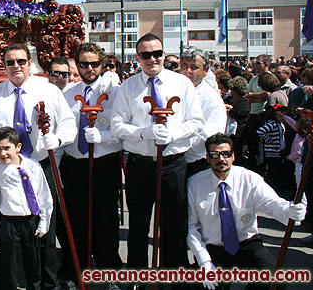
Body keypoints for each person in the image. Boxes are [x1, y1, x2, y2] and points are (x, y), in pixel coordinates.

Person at [0, 43, 76, 290]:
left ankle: (48, 284)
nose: (16, 66)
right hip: (7, 172)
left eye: (21, 61)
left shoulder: (49, 90)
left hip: (41, 167)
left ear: (30, 63)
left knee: (46, 231)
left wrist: (59, 139)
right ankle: (4, 283)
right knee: (7, 232)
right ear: (4, 65)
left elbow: (68, 124)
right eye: (10, 62)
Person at [111, 33, 204, 289]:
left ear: (164, 54)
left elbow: (196, 121)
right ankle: (139, 279)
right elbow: (117, 125)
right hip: (140, 163)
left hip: (173, 163)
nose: (152, 59)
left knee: (174, 225)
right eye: (145, 55)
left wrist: (174, 133)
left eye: (156, 53)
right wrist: (142, 132)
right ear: (137, 58)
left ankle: (174, 278)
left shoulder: (181, 84)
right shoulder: (128, 87)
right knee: (139, 225)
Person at [187, 133, 306, 290]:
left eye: (226, 154)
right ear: (208, 158)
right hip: (214, 248)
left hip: (247, 244)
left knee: (276, 280)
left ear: (233, 156)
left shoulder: (249, 178)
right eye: (215, 155)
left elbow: (272, 203)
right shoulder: (194, 184)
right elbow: (191, 227)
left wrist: (290, 210)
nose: (221, 159)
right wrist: (205, 262)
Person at [61, 43, 122, 290]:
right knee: (76, 220)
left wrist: (104, 137)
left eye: (94, 63)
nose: (89, 68)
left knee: (106, 219)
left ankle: (110, 272)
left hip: (104, 162)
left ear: (102, 64)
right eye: (83, 64)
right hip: (75, 162)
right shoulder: (68, 93)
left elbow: (120, 127)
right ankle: (76, 270)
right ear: (76, 64)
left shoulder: (114, 91)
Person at [0, 126, 53, 290]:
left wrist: (44, 220)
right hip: (9, 223)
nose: (2, 154)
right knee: (9, 267)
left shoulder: (33, 167)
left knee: (33, 265)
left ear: (18, 147)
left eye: (7, 148)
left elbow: (44, 195)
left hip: (30, 221)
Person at [180, 47, 227, 178]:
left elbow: (209, 136)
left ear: (205, 71)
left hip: (196, 162)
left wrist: (177, 142)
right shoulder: (173, 90)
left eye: (194, 67)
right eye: (184, 66)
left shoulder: (212, 100)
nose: (188, 71)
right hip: (173, 161)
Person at [246, 55, 271, 172]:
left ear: (266, 64)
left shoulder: (270, 78)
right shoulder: (253, 79)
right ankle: (257, 166)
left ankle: (265, 167)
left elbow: (266, 95)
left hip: (264, 114)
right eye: (255, 63)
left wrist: (254, 96)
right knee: (254, 142)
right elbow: (247, 95)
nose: (255, 65)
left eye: (258, 63)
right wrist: (257, 97)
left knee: (264, 142)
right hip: (253, 113)